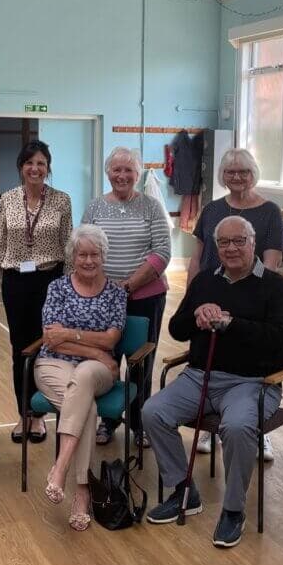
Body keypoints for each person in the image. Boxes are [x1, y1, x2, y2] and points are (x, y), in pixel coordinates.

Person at [143, 216, 283, 547]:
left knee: (238, 427)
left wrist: (231, 324)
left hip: (253, 382)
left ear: (253, 243)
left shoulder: (276, 286)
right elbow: (176, 329)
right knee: (152, 412)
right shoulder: (203, 283)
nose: (231, 248)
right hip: (200, 377)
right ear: (216, 247)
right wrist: (197, 317)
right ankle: (185, 490)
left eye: (239, 241)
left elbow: (280, 341)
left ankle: (233, 510)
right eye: (223, 243)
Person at [189, 148, 283, 459]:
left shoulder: (270, 211)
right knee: (209, 360)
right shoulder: (211, 209)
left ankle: (257, 429)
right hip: (212, 290)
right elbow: (197, 256)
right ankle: (207, 429)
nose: (237, 177)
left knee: (250, 360)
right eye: (230, 172)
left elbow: (271, 260)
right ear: (223, 176)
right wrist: (194, 294)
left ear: (253, 174)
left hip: (252, 298)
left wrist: (254, 295)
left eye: (243, 171)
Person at [0, 140, 72, 444]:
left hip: (51, 282)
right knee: (20, 350)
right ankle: (23, 413)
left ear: (48, 168)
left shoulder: (61, 201)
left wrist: (72, 287)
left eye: (41, 163)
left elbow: (69, 244)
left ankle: (40, 416)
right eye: (30, 163)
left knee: (47, 347)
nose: (35, 168)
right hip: (16, 283)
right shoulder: (8, 200)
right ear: (21, 168)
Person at [34, 224, 127, 531]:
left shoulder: (115, 293)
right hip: (54, 365)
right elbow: (51, 339)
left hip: (98, 371)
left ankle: (60, 467)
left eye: (94, 254)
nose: (88, 260)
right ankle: (82, 489)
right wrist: (96, 349)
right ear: (72, 256)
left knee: (85, 375)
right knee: (86, 407)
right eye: (82, 254)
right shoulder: (58, 287)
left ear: (104, 256)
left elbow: (111, 340)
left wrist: (74, 337)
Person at [81, 147, 170, 448]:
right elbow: (85, 249)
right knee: (105, 359)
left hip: (146, 297)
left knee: (140, 362)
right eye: (116, 170)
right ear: (108, 173)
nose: (122, 176)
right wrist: (101, 289)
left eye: (128, 170)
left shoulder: (151, 207)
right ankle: (108, 420)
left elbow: (162, 253)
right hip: (102, 298)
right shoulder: (94, 208)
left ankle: (139, 424)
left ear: (137, 174)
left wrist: (128, 286)